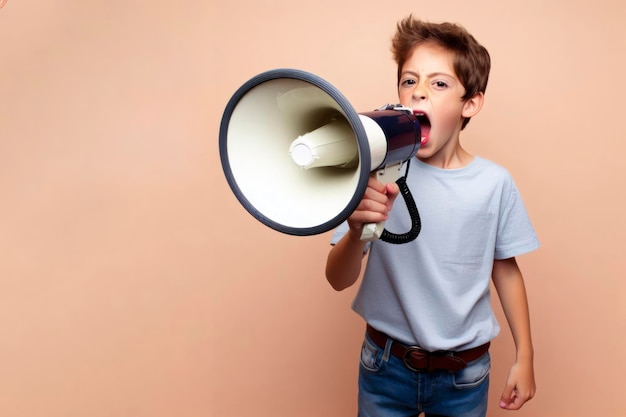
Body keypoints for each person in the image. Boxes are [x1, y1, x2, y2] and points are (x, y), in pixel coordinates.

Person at [326, 15, 539, 417]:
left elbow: (506, 271)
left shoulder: (494, 184)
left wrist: (525, 356)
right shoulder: (373, 171)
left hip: (464, 375)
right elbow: (337, 279)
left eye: (438, 84)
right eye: (410, 81)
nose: (419, 93)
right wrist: (357, 232)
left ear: (470, 103)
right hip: (384, 366)